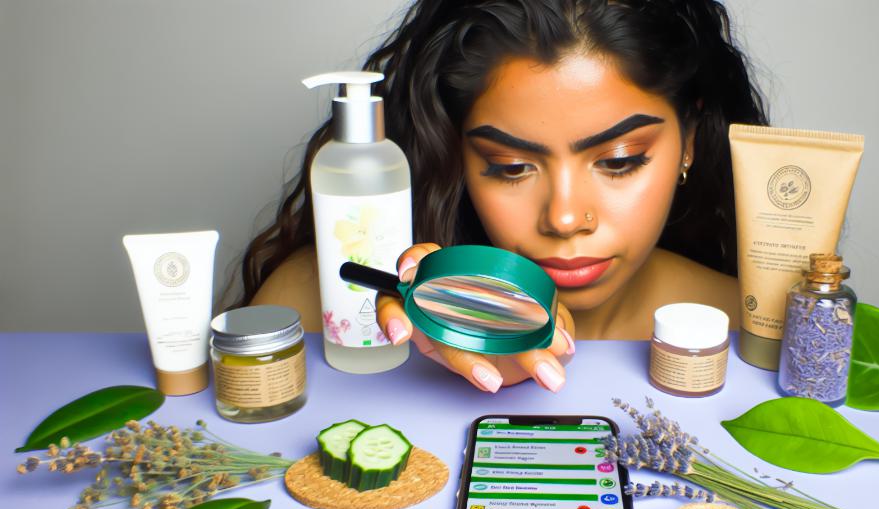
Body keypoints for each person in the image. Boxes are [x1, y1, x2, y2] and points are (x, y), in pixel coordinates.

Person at [236, 0, 767, 394]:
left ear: (690, 142)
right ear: (454, 157)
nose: (563, 218)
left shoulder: (753, 326)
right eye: (511, 167)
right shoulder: (320, 304)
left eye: (619, 161)